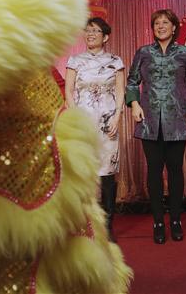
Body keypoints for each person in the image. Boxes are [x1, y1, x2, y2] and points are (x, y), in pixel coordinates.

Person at [126, 9, 186, 244]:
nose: (160, 26)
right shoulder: (143, 52)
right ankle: (158, 221)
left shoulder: (184, 52)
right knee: (154, 171)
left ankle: (176, 219)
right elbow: (131, 80)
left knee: (176, 169)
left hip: (177, 118)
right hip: (149, 120)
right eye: (157, 23)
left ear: (174, 27)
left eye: (165, 22)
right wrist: (134, 104)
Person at [65, 17, 125, 242]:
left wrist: (118, 117)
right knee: (84, 175)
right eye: (87, 30)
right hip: (83, 125)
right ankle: (85, 225)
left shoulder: (115, 61)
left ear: (105, 36)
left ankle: (108, 227)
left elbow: (120, 93)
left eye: (95, 31)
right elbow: (69, 92)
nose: (90, 34)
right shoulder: (75, 61)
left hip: (108, 124)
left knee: (107, 176)